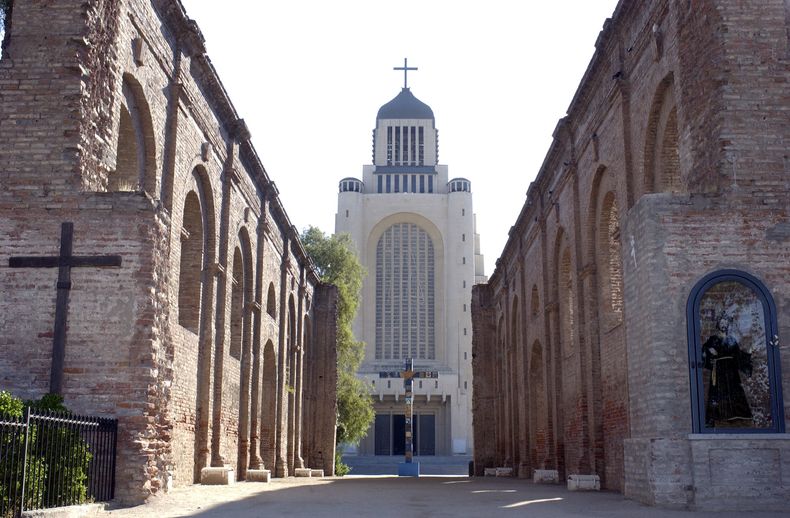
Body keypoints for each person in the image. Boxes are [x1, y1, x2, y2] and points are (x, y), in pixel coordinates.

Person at [702, 314, 753, 427]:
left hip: (731, 371)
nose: (723, 325)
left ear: (728, 325)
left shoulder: (732, 340)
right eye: (721, 323)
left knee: (734, 390)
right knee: (718, 392)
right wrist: (709, 351)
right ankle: (717, 416)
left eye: (725, 323)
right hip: (719, 369)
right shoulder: (713, 339)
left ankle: (736, 415)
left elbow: (738, 355)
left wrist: (749, 355)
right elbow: (705, 350)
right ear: (718, 325)